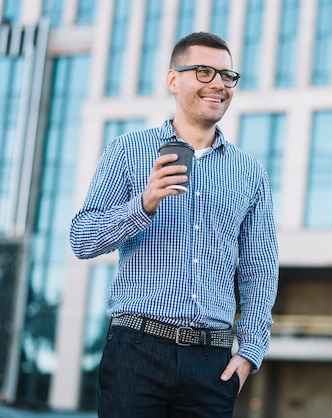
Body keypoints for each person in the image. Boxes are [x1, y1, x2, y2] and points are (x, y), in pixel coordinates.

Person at [70, 32, 279, 418]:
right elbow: (82, 239)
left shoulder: (251, 173)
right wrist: (144, 204)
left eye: (227, 75)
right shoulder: (128, 150)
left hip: (212, 365)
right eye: (203, 72)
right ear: (173, 80)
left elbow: (260, 269)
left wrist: (250, 352)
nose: (218, 84)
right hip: (136, 351)